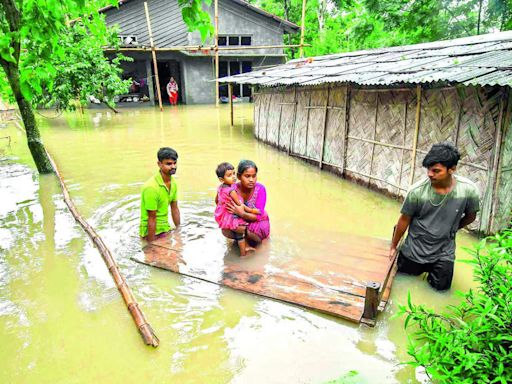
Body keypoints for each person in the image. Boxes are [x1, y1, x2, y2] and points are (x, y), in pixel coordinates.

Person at [389, 142, 480, 290]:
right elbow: (404, 220)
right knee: (402, 285)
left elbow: (471, 216)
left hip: (444, 252)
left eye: (436, 171)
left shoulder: (468, 191)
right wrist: (393, 246)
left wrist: (452, 229)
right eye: (429, 169)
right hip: (414, 249)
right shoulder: (417, 192)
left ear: (452, 169)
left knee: (441, 292)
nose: (430, 174)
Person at [214, 162, 259, 256]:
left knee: (238, 234)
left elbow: (216, 200)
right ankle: (243, 253)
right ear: (221, 179)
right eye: (229, 175)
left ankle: (244, 249)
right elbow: (240, 204)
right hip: (232, 215)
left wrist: (222, 208)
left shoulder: (220, 188)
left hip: (224, 214)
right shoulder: (231, 191)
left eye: (234, 173)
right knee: (240, 234)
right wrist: (251, 210)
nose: (233, 177)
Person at [222, 160, 270, 246]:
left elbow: (258, 216)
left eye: (254, 176)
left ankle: (246, 237)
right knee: (225, 229)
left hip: (257, 219)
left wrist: (242, 213)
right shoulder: (231, 189)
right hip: (239, 220)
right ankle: (242, 239)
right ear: (239, 176)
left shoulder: (261, 189)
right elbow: (223, 206)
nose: (251, 180)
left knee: (255, 236)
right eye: (247, 176)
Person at [140, 147, 181, 242]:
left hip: (165, 228)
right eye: (169, 164)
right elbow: (152, 218)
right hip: (151, 233)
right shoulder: (151, 187)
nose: (173, 167)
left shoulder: (173, 182)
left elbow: (174, 208)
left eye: (175, 163)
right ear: (159, 164)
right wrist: (151, 244)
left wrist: (179, 231)